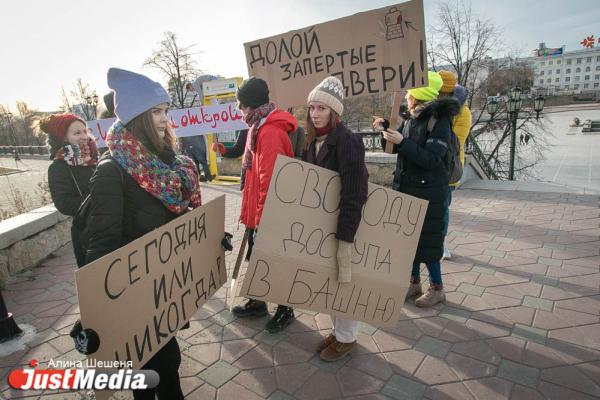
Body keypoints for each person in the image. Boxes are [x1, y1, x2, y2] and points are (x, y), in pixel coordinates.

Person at [82, 68, 202, 400]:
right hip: (134, 292)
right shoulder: (112, 171)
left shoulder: (169, 161)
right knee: (148, 370)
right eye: (156, 112)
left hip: (164, 288)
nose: (164, 119)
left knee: (169, 363)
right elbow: (102, 242)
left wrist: (207, 244)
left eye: (165, 110)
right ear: (138, 117)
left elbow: (179, 219)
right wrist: (94, 308)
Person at [373, 71, 459, 307]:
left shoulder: (439, 120)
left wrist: (402, 142)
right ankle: (414, 284)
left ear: (418, 95)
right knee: (409, 242)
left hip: (428, 192)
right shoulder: (411, 118)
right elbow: (397, 148)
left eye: (409, 92)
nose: (406, 96)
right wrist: (385, 130)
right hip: (408, 188)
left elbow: (432, 159)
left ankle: (437, 289)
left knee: (428, 244)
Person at [303, 76, 368, 362]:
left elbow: (355, 193)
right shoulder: (311, 141)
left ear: (334, 111)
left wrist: (346, 238)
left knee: (344, 281)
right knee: (329, 281)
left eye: (322, 108)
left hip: (343, 227)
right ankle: (338, 331)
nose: (315, 114)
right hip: (320, 227)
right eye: (312, 108)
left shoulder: (348, 141)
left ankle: (347, 338)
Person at [230, 77, 297, 333]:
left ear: (252, 105)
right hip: (260, 209)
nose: (240, 110)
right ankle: (258, 302)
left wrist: (261, 220)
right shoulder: (258, 127)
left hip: (270, 213)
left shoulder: (269, 132)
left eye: (242, 105)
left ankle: (285, 309)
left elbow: (270, 181)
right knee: (258, 258)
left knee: (275, 262)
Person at [42, 113, 98, 267]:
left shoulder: (93, 158)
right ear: (64, 138)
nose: (84, 136)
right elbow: (63, 203)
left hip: (112, 222)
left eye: (85, 131)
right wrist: (98, 200)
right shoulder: (58, 168)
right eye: (77, 133)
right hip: (87, 230)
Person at [437, 71, 472, 260]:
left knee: (442, 207)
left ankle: (441, 243)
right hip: (433, 163)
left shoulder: (462, 112)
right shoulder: (434, 105)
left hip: (448, 167)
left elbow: (455, 142)